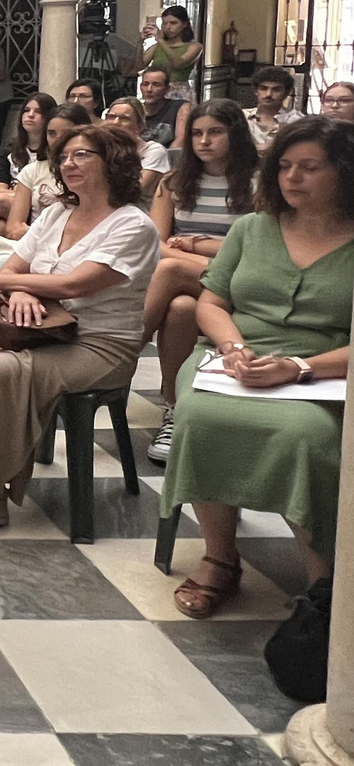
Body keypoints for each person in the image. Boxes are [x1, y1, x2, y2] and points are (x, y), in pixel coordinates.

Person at [160, 118, 354, 618]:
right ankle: (220, 558)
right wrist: (232, 347)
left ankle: (323, 580)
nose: (292, 177)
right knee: (200, 416)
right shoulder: (253, 228)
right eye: (284, 166)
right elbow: (211, 302)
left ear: (344, 173)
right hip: (233, 356)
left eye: (309, 168)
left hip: (328, 369)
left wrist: (298, 366)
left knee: (305, 435)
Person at [0, 123, 159, 526]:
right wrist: (21, 292)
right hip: (42, 329)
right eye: (64, 156)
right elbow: (20, 264)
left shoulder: (133, 225)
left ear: (114, 162)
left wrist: (0, 282)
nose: (68, 163)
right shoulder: (56, 213)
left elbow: (78, 283)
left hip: (99, 343)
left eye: (82, 155)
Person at [140, 99, 258, 464]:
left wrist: (195, 243)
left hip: (241, 278)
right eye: (196, 133)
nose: (204, 141)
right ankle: (175, 409)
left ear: (235, 134)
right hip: (187, 278)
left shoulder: (259, 182)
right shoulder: (173, 183)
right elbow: (156, 245)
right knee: (180, 308)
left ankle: (121, 354)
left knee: (171, 273)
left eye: (215, 132)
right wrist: (204, 255)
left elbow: (259, 245)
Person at [0, 101, 89, 278]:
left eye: (66, 134)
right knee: (0, 265)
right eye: (52, 133)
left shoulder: (92, 171)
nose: (58, 140)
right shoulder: (33, 170)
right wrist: (39, 235)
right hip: (36, 244)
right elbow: (14, 228)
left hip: (80, 245)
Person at [103, 97, 171, 198]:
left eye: (124, 118)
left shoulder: (154, 151)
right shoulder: (99, 148)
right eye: (111, 117)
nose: (116, 122)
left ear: (140, 125)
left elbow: (137, 191)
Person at [141, 5, 203, 101]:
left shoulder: (194, 46)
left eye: (173, 23)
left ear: (184, 24)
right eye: (165, 23)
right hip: (158, 92)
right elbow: (140, 65)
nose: (168, 27)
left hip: (179, 92)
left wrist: (161, 41)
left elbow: (178, 63)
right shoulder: (157, 47)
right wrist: (140, 41)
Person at [244, 65, 304, 148]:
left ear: (286, 94)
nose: (268, 94)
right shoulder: (242, 117)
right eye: (263, 88)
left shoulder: (297, 121)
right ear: (256, 91)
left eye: (276, 90)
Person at [140, 66, 192, 150]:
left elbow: (181, 141)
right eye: (145, 84)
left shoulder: (179, 107)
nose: (149, 89)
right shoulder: (135, 110)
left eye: (156, 85)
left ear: (167, 88)